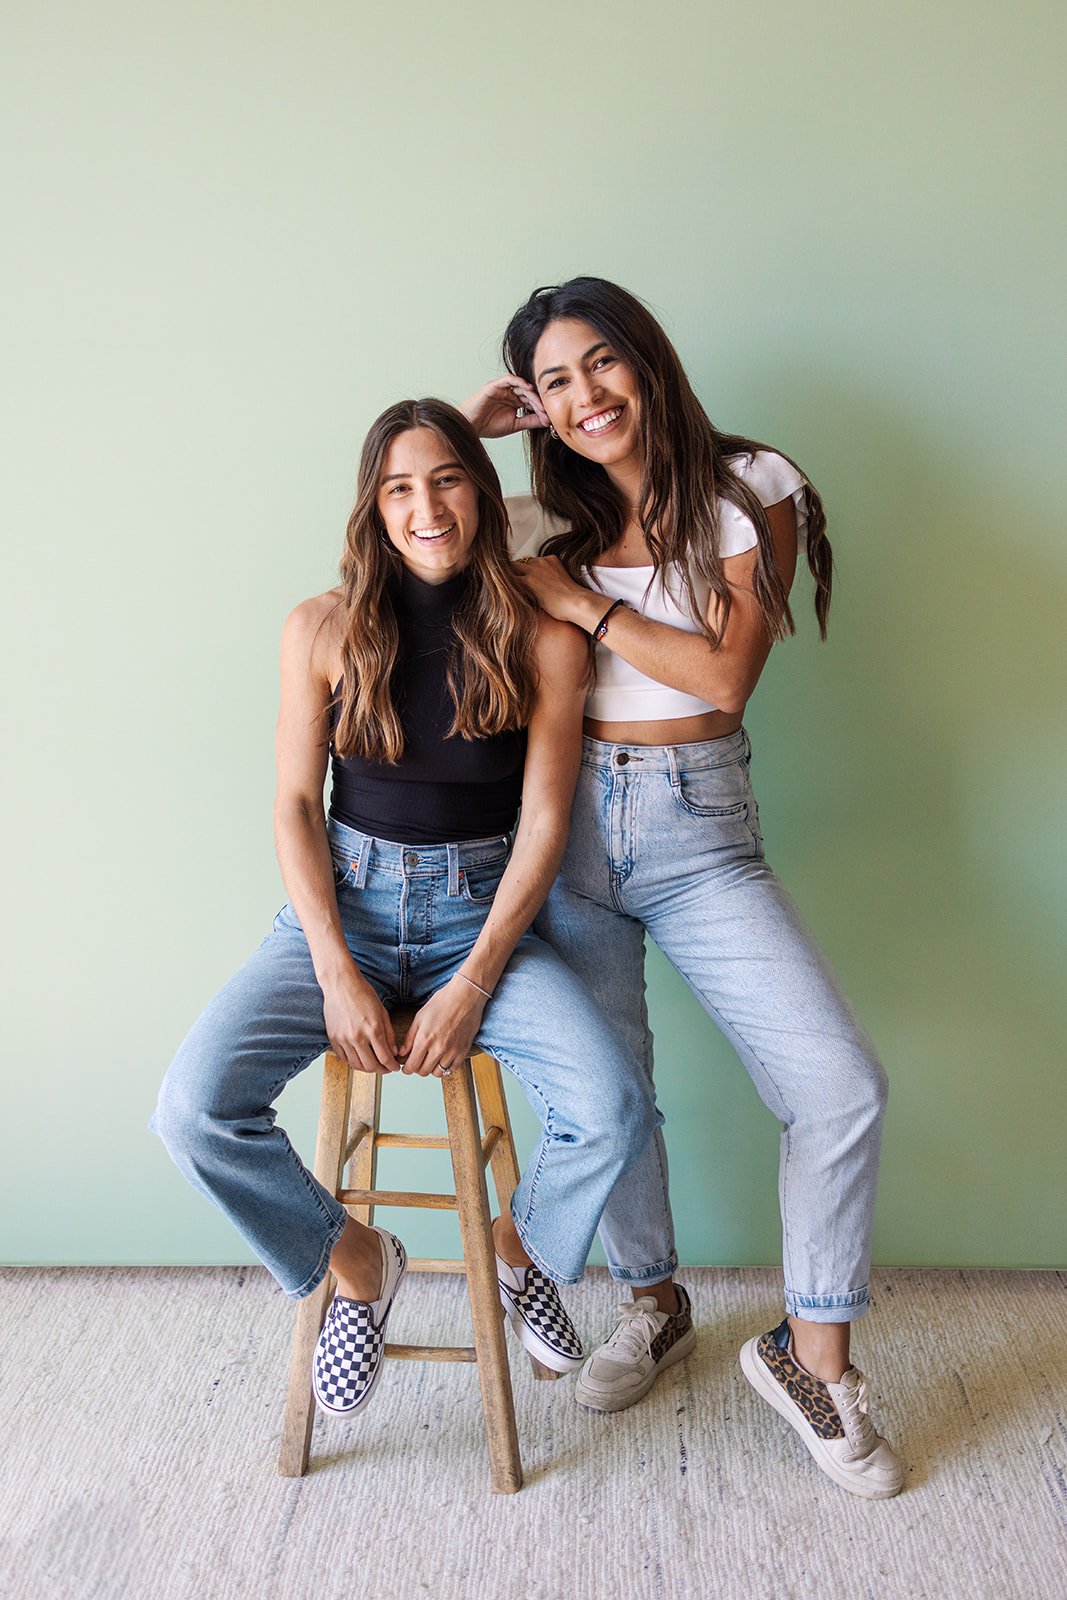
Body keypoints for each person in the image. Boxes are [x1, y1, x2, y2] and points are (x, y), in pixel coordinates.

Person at [460, 278, 903, 1499]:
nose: (585, 395)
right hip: (557, 829)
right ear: (535, 408)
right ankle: (651, 1305)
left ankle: (810, 1355)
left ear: (647, 362)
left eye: (601, 364)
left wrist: (583, 604)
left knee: (837, 1087)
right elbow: (408, 523)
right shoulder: (541, 515)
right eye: (553, 382)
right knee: (618, 1095)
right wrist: (464, 426)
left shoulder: (748, 485)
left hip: (697, 827)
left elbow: (719, 681)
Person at [153, 397, 660, 1420]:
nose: (425, 506)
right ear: (370, 508)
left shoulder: (545, 638)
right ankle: (356, 1261)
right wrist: (337, 968)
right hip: (342, 911)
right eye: (397, 488)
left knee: (611, 1107)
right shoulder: (322, 627)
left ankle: (513, 1246)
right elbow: (296, 805)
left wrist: (473, 980)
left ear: (483, 490)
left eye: (447, 479)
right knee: (193, 1110)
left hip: (485, 920)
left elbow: (543, 827)